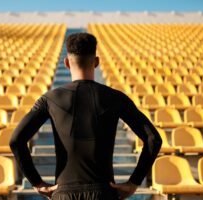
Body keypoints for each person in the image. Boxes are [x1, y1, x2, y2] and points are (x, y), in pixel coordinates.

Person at [9, 33, 162, 200]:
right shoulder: (117, 97)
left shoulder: (50, 99)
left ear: (67, 63)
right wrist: (134, 181)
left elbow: (16, 140)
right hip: (104, 192)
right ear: (96, 62)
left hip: (64, 193)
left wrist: (37, 183)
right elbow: (153, 139)